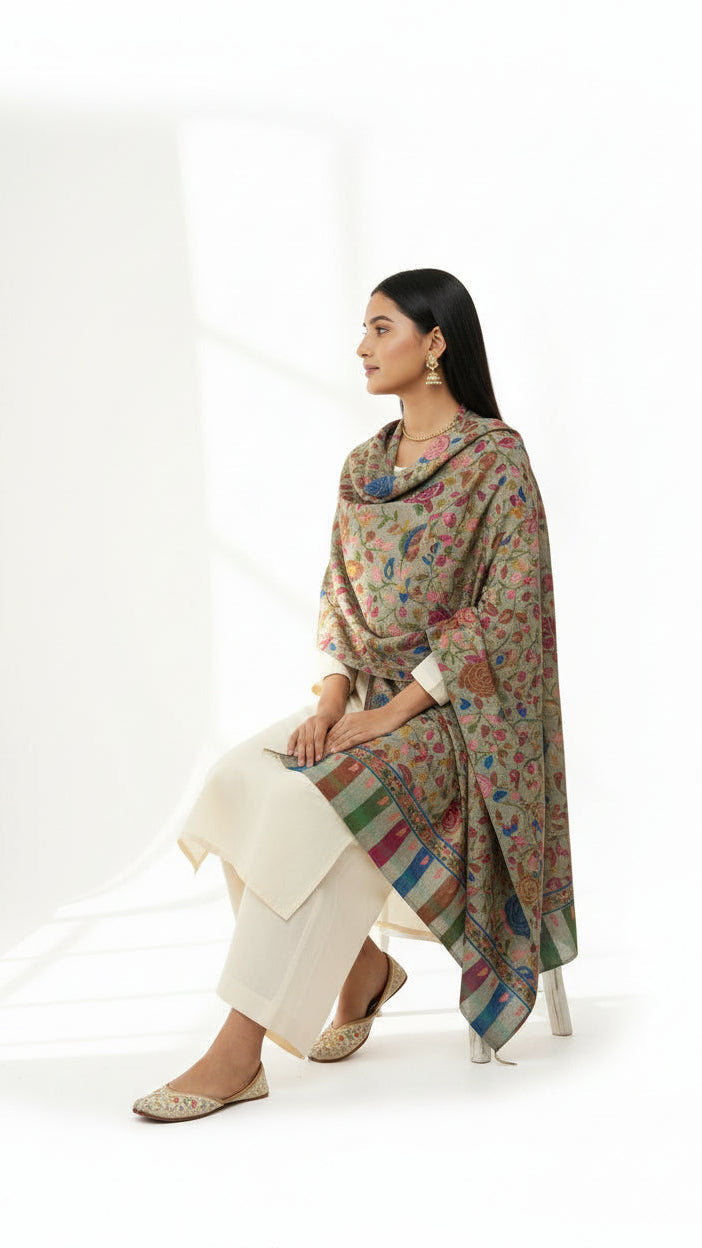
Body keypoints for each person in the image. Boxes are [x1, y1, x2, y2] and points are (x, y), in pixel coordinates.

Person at [132, 268, 577, 1122]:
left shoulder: (495, 461)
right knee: (241, 779)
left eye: (381, 329)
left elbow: (509, 615)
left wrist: (391, 712)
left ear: (434, 343)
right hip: (364, 698)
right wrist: (334, 704)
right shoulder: (363, 467)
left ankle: (239, 1051)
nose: (362, 347)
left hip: (455, 717)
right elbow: (339, 600)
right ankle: (362, 970)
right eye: (363, 330)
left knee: (312, 802)